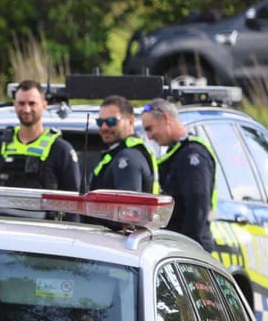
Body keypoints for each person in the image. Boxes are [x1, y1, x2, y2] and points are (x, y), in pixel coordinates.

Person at [142, 99, 217, 251]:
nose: (149, 137)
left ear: (165, 118)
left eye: (150, 129)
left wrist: (186, 248)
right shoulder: (176, 153)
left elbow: (197, 206)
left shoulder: (192, 155)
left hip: (190, 249)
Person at [0, 80, 81, 193]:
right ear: (14, 105)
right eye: (21, 103)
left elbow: (74, 200)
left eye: (32, 103)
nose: (26, 109)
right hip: (2, 210)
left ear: (44, 105)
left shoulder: (61, 150)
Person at [88, 95, 158, 194]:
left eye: (111, 121)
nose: (104, 127)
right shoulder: (118, 152)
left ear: (131, 121)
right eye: (100, 122)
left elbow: (128, 206)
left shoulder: (128, 157)